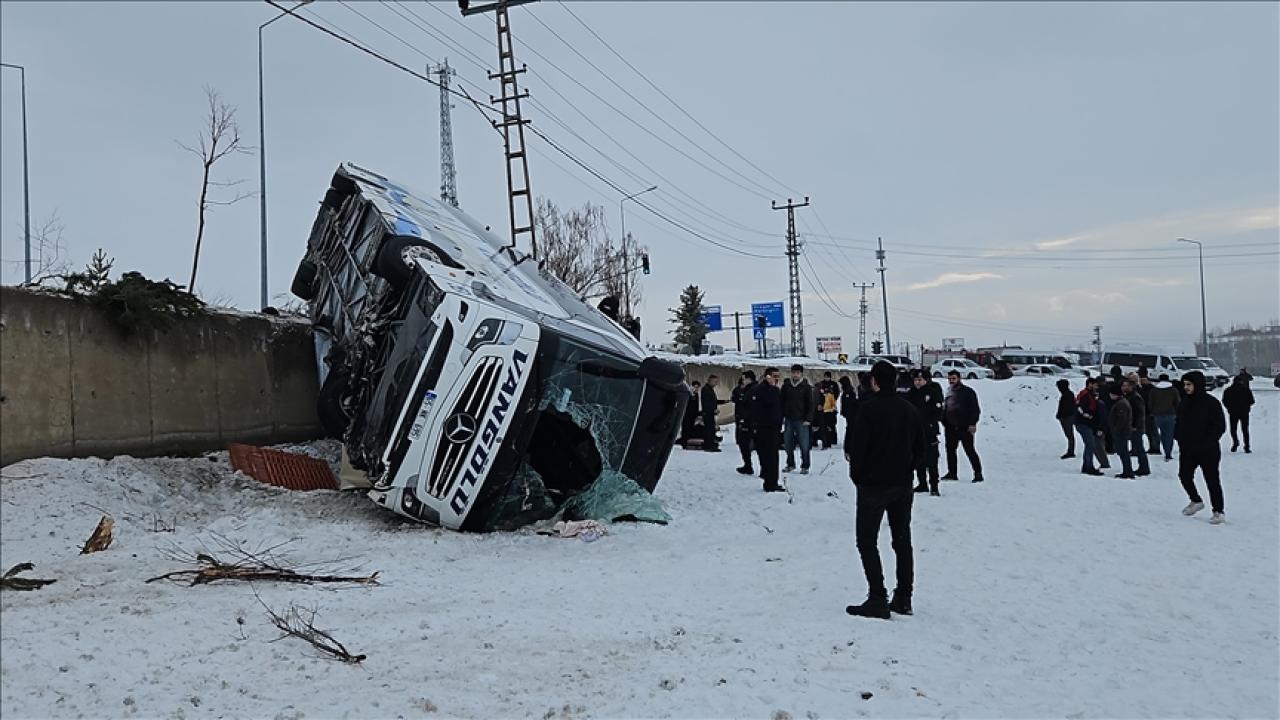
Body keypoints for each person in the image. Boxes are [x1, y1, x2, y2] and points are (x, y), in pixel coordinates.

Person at [844, 361, 925, 619]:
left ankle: (877, 597)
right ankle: (904, 597)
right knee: (902, 540)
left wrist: (859, 477)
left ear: (874, 381)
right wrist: (908, 470)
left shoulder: (868, 409)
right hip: (902, 485)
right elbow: (921, 447)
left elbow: (857, 449)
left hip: (872, 485)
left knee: (867, 541)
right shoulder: (909, 409)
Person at [1174, 371, 1227, 523]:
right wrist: (1178, 437)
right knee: (1184, 476)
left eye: (1189, 384)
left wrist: (1206, 443)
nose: (1186, 387)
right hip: (1188, 449)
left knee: (1212, 480)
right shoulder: (1184, 402)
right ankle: (1196, 500)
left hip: (1208, 450)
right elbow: (1179, 422)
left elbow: (1219, 426)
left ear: (1197, 385)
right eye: (1184, 384)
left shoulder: (1211, 403)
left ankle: (1218, 511)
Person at [941, 370, 984, 483]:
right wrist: (944, 421)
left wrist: (972, 423)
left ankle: (978, 473)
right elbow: (945, 408)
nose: (951, 381)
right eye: (949, 379)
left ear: (959, 378)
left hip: (965, 427)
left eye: (953, 378)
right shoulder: (948, 392)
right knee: (950, 451)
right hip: (950, 427)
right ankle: (952, 473)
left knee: (969, 450)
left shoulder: (968, 392)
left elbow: (975, 409)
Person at [907, 369, 943, 496]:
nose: (917, 382)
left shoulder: (932, 392)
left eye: (920, 380)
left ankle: (934, 486)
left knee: (932, 460)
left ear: (925, 380)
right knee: (918, 459)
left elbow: (938, 411)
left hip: (929, 432)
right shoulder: (911, 393)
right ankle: (922, 483)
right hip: (914, 433)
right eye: (915, 380)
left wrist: (930, 423)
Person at [752, 367, 785, 492]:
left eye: (778, 376)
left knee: (773, 456)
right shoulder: (760, 390)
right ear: (767, 376)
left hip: (774, 427)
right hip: (765, 427)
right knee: (768, 456)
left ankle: (772, 480)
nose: (776, 379)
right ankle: (770, 483)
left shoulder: (775, 390)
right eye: (774, 376)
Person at [780, 364, 814, 474]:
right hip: (789, 419)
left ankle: (805, 466)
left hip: (802, 420)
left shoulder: (806, 387)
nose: (795, 375)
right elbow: (781, 401)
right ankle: (790, 464)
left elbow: (810, 404)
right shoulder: (786, 386)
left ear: (801, 374)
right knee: (788, 443)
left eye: (798, 373)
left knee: (804, 444)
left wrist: (808, 419)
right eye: (793, 373)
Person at [1073, 378, 1106, 476]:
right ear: (1090, 384)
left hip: (1085, 423)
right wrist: (1087, 415)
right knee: (1090, 444)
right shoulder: (1086, 395)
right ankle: (1089, 467)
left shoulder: (1090, 394)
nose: (1097, 386)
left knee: (1089, 444)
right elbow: (1080, 408)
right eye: (1095, 384)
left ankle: (1086, 466)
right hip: (1083, 423)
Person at [1122, 377, 1151, 477]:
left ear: (1131, 387)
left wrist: (1135, 425)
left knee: (1139, 447)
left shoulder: (1135, 397)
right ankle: (1143, 467)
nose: (1123, 387)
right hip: (1133, 426)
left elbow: (1139, 413)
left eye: (1126, 386)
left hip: (1136, 427)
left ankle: (1144, 467)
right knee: (1137, 447)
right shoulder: (1129, 396)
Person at [1148, 373, 1180, 461]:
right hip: (1171, 415)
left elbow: (1150, 403)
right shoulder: (1173, 390)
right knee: (1169, 434)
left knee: (1162, 433)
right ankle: (1168, 452)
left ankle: (1165, 447)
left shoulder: (1154, 390)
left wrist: (1153, 411)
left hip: (1158, 415)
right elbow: (1177, 402)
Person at [732, 371, 758, 474]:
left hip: (750, 421)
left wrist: (745, 419)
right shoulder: (746, 389)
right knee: (743, 444)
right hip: (746, 420)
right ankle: (748, 465)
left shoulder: (753, 390)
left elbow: (750, 407)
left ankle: (750, 466)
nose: (742, 381)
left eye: (744, 379)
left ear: (749, 379)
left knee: (747, 443)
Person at [1108, 383, 1135, 479]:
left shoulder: (1121, 404)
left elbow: (1122, 419)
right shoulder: (1121, 402)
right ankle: (1127, 471)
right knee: (1123, 452)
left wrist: (1116, 429)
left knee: (1123, 452)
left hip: (1122, 432)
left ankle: (1128, 471)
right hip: (1122, 431)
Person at [1222, 374, 1255, 453]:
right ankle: (1247, 446)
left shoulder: (1228, 390)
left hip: (1233, 412)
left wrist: (1229, 408)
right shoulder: (1246, 390)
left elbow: (1224, 401)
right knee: (1245, 430)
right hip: (1244, 412)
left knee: (1233, 429)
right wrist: (1246, 406)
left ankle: (1235, 442)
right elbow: (1252, 401)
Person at [700, 375, 725, 452]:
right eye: (715, 381)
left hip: (710, 413)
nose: (716, 383)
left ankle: (710, 444)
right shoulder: (706, 389)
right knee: (709, 430)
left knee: (711, 429)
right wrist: (713, 410)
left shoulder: (709, 389)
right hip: (708, 413)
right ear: (710, 380)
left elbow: (713, 401)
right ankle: (709, 445)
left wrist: (723, 401)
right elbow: (707, 403)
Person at [1138, 370, 1159, 454]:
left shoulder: (1151, 389)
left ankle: (1155, 447)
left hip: (1150, 413)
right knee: (1149, 432)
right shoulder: (1143, 389)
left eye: (1144, 380)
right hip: (1145, 412)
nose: (1142, 381)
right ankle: (1153, 446)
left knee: (1153, 431)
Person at [1055, 378, 1077, 460]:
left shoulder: (1066, 395)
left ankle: (1071, 451)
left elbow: (1065, 408)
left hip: (1066, 417)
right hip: (1067, 417)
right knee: (1070, 435)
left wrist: (1060, 415)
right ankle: (1071, 451)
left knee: (1069, 435)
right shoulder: (1068, 394)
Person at [677, 380, 701, 448]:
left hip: (693, 415)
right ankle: (684, 442)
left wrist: (697, 414)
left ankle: (686, 441)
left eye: (698, 387)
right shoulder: (688, 393)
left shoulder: (696, 394)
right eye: (696, 387)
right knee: (685, 428)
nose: (697, 389)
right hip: (686, 415)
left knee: (690, 428)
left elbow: (696, 406)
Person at [838, 375, 858, 444]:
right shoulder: (846, 391)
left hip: (851, 413)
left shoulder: (849, 392)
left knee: (850, 426)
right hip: (848, 413)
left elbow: (850, 403)